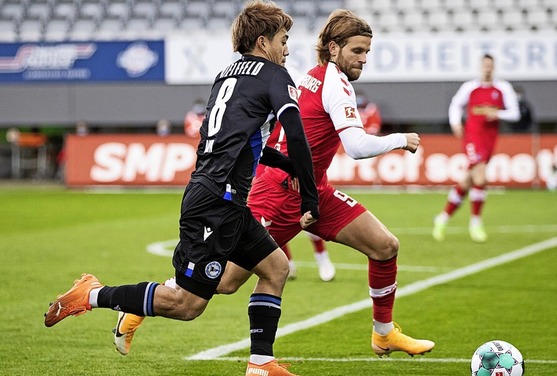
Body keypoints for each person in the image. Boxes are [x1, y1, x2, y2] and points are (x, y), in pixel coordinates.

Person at [44, 2, 319, 376]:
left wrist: (286, 166)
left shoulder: (227, 75)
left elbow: (233, 139)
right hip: (215, 202)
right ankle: (91, 294)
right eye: (284, 40)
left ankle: (260, 363)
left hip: (222, 198)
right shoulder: (275, 75)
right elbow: (297, 134)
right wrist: (310, 194)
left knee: (276, 268)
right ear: (262, 41)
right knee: (186, 305)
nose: (288, 49)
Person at [243, 9, 433, 357]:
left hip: (314, 191)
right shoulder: (334, 82)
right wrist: (401, 139)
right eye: (356, 51)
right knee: (221, 283)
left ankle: (384, 333)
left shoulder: (309, 77)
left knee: (385, 246)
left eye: (367, 52)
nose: (363, 60)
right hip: (277, 194)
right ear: (333, 48)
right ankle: (153, 299)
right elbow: (357, 146)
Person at [432, 54, 520, 243]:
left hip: (490, 138)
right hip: (472, 136)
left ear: (494, 67)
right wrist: (455, 123)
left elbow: (515, 114)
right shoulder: (470, 87)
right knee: (480, 176)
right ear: (481, 67)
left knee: (467, 181)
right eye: (485, 65)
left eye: (490, 66)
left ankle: (442, 218)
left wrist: (498, 114)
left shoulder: (503, 88)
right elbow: (456, 104)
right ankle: (476, 223)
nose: (487, 68)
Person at [262, 120, 336, 282]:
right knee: (269, 217)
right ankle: (287, 261)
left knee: (306, 210)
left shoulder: (286, 102)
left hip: (289, 155)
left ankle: (322, 256)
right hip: (263, 157)